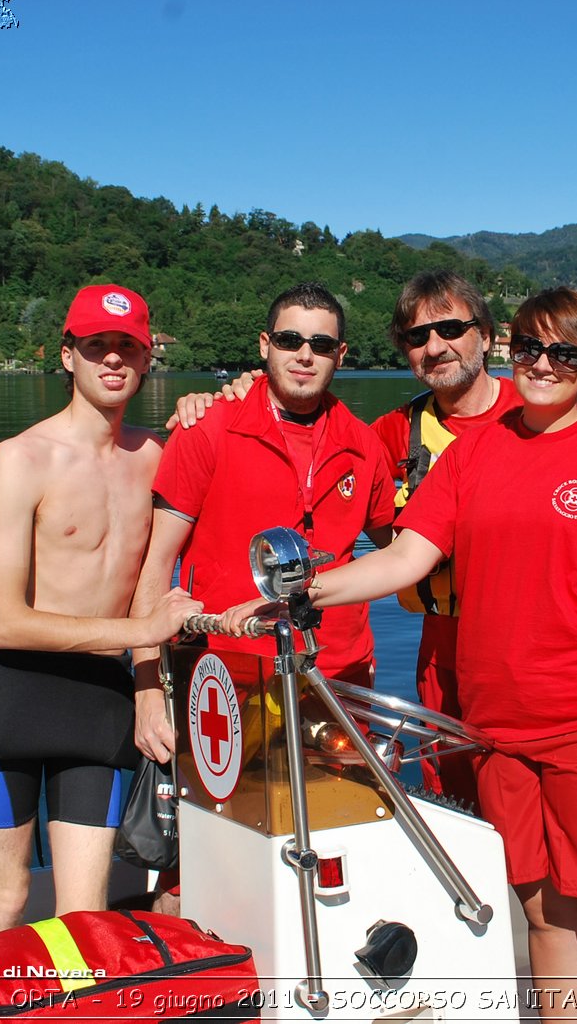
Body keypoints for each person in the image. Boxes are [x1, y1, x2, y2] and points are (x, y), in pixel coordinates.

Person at [221, 287, 577, 1021]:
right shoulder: (474, 451)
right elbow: (408, 555)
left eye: (564, 353)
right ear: (511, 349)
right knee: (543, 916)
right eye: (530, 348)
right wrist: (304, 590)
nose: (543, 364)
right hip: (499, 729)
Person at [170, 270, 520, 802]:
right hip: (253, 663)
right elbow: (399, 549)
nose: (434, 346)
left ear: (488, 334)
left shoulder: (539, 414)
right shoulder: (385, 435)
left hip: (520, 640)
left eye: (449, 328)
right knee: (451, 797)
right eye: (416, 336)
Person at [0, 284, 200, 935]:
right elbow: (5, 622)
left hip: (97, 700)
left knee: (84, 913)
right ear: (67, 355)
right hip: (12, 694)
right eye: (96, 345)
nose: (112, 360)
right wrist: (143, 633)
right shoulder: (21, 459)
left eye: (127, 347)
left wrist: (143, 683)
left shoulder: (158, 457)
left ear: (146, 359)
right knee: (9, 895)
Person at [130, 282, 397, 909]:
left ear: (341, 354)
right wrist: (145, 687)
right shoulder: (208, 431)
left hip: (336, 678)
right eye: (289, 340)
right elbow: (154, 570)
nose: (304, 354)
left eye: (321, 343)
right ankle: (195, 989)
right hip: (221, 684)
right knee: (198, 861)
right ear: (265, 345)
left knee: (335, 839)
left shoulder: (365, 445)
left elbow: (402, 549)